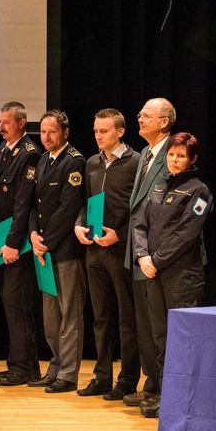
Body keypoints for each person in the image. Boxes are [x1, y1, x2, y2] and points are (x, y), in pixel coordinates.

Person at [132, 132, 212, 418]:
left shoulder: (199, 191)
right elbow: (139, 223)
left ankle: (181, 398)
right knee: (160, 335)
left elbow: (186, 234)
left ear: (192, 160)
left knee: (182, 338)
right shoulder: (158, 185)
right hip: (153, 272)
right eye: (172, 155)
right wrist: (142, 255)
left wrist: (155, 259)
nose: (175, 160)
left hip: (182, 275)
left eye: (181, 156)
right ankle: (164, 394)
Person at [74, 109, 141, 400]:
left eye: (104, 131)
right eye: (96, 131)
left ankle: (127, 380)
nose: (99, 136)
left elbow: (141, 210)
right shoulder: (92, 162)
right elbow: (86, 202)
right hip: (94, 251)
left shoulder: (135, 162)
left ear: (120, 131)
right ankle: (102, 377)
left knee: (127, 318)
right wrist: (79, 224)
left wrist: (120, 235)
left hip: (120, 250)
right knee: (100, 317)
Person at [28, 110, 87, 394]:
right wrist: (32, 235)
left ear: (65, 132)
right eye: (43, 132)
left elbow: (69, 209)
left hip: (64, 250)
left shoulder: (75, 162)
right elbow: (34, 205)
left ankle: (68, 374)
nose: (47, 137)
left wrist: (46, 242)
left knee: (69, 315)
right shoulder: (42, 160)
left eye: (52, 131)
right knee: (50, 318)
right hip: (43, 249)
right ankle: (55, 367)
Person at [123, 97, 175, 409]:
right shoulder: (145, 153)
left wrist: (150, 254)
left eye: (146, 115)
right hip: (138, 251)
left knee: (160, 328)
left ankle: (166, 390)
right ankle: (152, 384)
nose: (140, 119)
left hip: (158, 256)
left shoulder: (173, 153)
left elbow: (168, 211)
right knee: (144, 326)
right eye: (140, 114)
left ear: (164, 122)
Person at [0, 102, 43, 387]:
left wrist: (12, 243)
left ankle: (24, 368)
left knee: (18, 303)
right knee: (10, 303)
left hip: (19, 243)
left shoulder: (29, 153)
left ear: (21, 123)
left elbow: (23, 203)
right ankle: (22, 365)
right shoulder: (4, 149)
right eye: (0, 121)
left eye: (6, 122)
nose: (1, 126)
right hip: (3, 239)